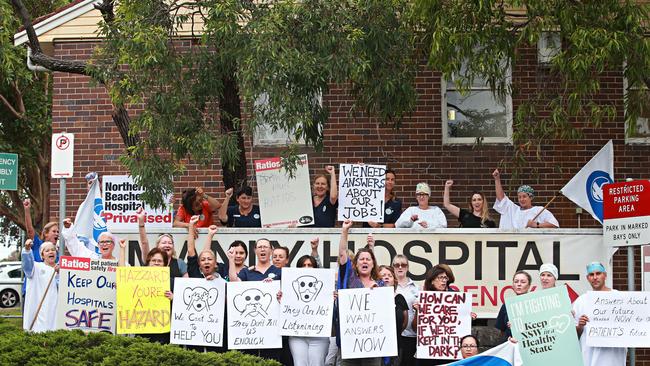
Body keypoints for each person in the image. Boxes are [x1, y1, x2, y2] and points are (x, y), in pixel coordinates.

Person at [337, 219, 385, 366]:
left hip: (373, 344)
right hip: (350, 342)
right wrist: (344, 231)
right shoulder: (349, 279)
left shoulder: (381, 285)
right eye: (361, 259)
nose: (365, 261)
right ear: (356, 264)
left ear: (373, 263)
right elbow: (342, 254)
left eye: (368, 259)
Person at [118, 240, 173, 344]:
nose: (156, 263)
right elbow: (122, 275)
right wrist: (122, 249)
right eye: (153, 260)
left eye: (160, 261)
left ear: (165, 265)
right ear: (148, 263)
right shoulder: (140, 279)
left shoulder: (171, 282)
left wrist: (173, 298)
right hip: (142, 330)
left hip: (163, 333)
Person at [574, 262, 626, 366]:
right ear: (587, 278)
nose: (595, 277)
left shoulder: (619, 297)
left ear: (605, 275)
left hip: (614, 358)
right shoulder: (580, 301)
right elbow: (574, 335)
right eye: (591, 275)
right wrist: (580, 326)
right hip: (590, 357)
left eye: (598, 273)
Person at [287, 254, 330, 366]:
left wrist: (332, 298)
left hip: (319, 335)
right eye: (303, 265)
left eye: (309, 265)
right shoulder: (290, 286)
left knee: (317, 364)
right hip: (297, 335)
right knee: (299, 363)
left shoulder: (325, 287)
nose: (306, 267)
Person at [492, 169, 559, 229]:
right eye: (519, 197)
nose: (521, 199)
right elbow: (501, 197)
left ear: (531, 197)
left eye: (524, 196)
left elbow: (554, 224)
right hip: (513, 242)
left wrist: (537, 225)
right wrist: (497, 179)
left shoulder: (539, 210)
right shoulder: (513, 209)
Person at [136, 207, 188, 281]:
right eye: (164, 243)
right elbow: (144, 243)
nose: (167, 245)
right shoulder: (150, 259)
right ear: (157, 246)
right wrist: (141, 222)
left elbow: (185, 284)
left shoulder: (180, 263)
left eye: (170, 243)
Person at [22, 239, 58, 332]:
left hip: (56, 309)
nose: (51, 252)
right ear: (42, 255)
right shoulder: (36, 267)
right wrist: (27, 250)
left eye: (53, 249)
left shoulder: (62, 268)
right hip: (39, 310)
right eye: (47, 250)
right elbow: (27, 266)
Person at [379, 265, 409, 366]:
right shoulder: (371, 297)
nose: (386, 277)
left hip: (396, 346)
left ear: (394, 280)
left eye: (390, 275)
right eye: (383, 275)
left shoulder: (400, 298)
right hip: (376, 347)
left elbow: (404, 323)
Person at [393, 255, 418, 366]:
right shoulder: (387, 286)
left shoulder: (417, 288)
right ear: (392, 267)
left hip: (411, 335)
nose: (400, 267)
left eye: (403, 265)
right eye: (396, 265)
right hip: (394, 336)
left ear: (407, 267)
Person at [495, 271, 532, 340]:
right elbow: (501, 330)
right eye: (516, 281)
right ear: (513, 285)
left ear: (529, 285)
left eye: (523, 282)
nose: (519, 284)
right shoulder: (506, 305)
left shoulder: (534, 304)